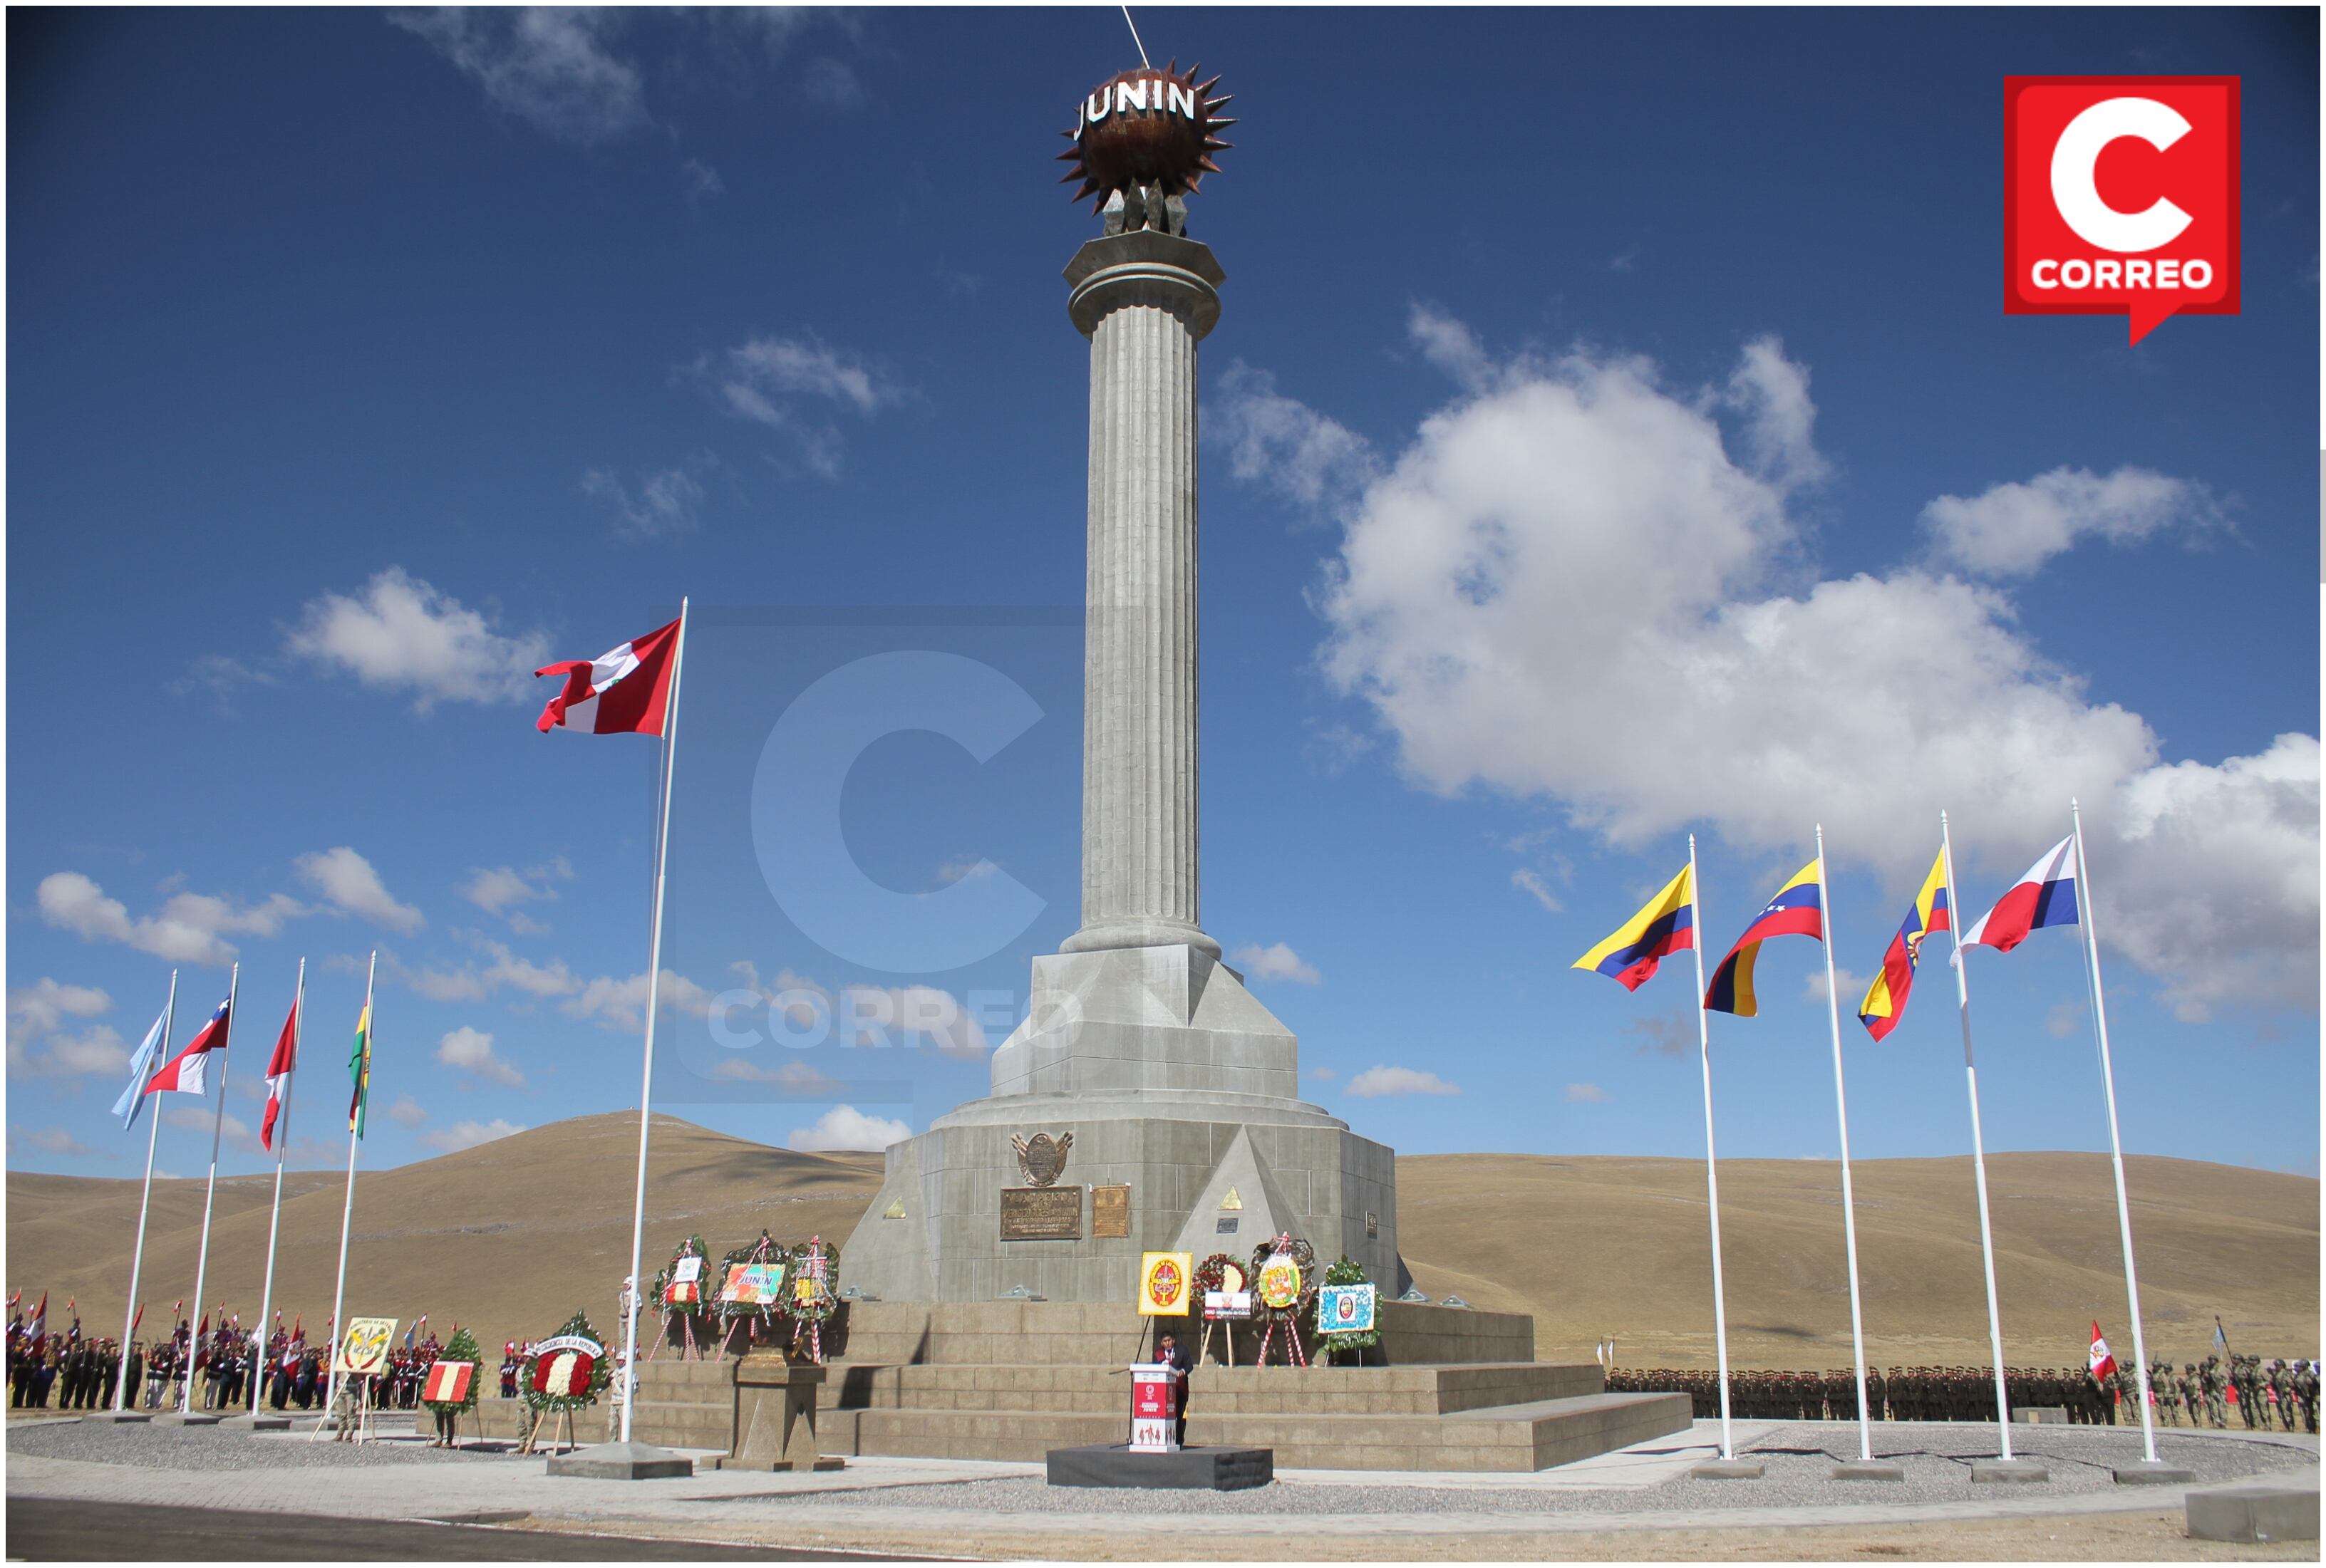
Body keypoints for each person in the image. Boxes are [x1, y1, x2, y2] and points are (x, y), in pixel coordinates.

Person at [1153, 1331, 1191, 1447]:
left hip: (1180, 1388)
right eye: (1165, 1341)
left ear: (1173, 1340)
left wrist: (1182, 1372)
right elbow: (1154, 1367)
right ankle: (1166, 1439)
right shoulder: (1158, 1353)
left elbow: (1189, 1365)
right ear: (1161, 1343)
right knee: (1167, 1414)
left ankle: (1179, 1439)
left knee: (1180, 1415)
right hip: (1165, 1390)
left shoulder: (1182, 1350)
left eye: (1169, 1340)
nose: (1167, 1343)